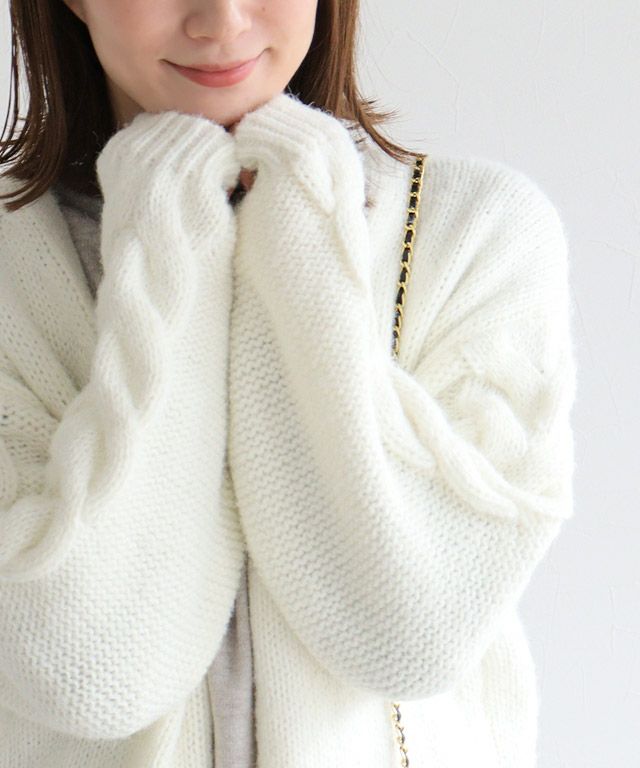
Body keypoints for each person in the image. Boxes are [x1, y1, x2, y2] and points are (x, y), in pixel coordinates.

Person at [0, 1, 578, 767]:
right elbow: (86, 667)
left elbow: (411, 635)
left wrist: (303, 224)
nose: (220, 20)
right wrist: (167, 229)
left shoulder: (476, 235)